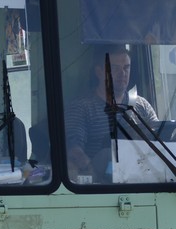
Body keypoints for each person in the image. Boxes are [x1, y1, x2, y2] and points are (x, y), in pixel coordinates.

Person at [66, 45, 158, 175]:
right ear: (99, 72)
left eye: (126, 68)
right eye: (114, 68)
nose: (122, 74)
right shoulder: (82, 108)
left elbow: (159, 139)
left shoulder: (142, 105)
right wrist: (91, 171)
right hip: (104, 184)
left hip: (142, 177)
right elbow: (73, 150)